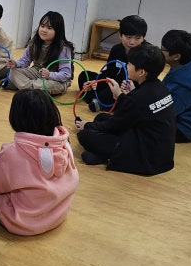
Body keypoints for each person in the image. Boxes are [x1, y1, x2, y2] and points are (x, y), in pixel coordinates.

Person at [0, 89, 79, 235]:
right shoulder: (64, 143)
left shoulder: (13, 153)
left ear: (16, 117)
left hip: (24, 222)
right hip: (57, 212)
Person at [75, 44, 175, 176]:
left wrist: (86, 125)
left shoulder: (138, 97)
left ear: (141, 72)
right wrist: (122, 96)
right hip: (160, 151)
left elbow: (114, 124)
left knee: (85, 135)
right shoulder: (160, 87)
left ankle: (109, 156)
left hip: (145, 156)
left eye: (130, 64)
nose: (127, 66)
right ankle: (103, 155)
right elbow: (136, 111)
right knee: (101, 117)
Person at [79, 15, 147, 112]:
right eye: (128, 37)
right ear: (120, 35)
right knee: (84, 76)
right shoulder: (116, 49)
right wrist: (96, 81)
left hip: (131, 87)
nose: (132, 42)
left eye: (137, 38)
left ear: (143, 38)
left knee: (119, 85)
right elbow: (110, 72)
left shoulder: (146, 53)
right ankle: (100, 100)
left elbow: (146, 82)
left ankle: (101, 100)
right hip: (115, 81)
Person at [161, 29, 191, 142]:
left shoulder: (183, 88)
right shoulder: (189, 64)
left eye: (163, 49)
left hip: (185, 129)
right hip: (185, 119)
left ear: (176, 56)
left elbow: (165, 112)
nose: (160, 51)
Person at [6, 11, 74, 95]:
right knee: (13, 72)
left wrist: (49, 75)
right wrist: (16, 64)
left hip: (54, 78)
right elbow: (25, 60)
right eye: (42, 26)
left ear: (58, 31)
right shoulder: (34, 42)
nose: (44, 30)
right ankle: (34, 88)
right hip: (37, 72)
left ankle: (22, 86)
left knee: (51, 85)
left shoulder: (63, 48)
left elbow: (66, 74)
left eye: (49, 28)